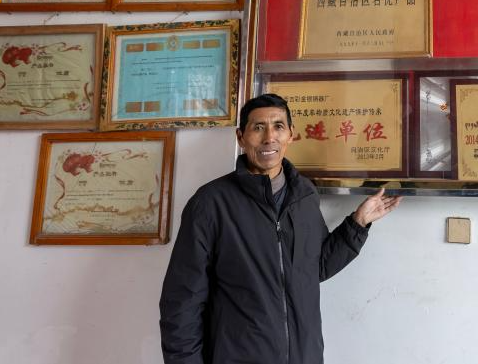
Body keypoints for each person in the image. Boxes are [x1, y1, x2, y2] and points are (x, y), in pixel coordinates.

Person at [159, 93, 401, 364]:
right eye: (258, 127)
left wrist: (358, 223)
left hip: (304, 356)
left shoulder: (304, 194)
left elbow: (313, 268)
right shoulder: (210, 203)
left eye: (278, 126)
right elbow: (182, 301)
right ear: (241, 137)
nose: (269, 138)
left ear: (291, 135)